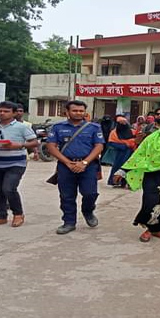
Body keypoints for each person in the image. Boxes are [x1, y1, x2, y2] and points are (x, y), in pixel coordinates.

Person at [46, 100, 105, 235]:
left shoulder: (94, 127)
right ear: (67, 112)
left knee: (90, 193)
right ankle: (69, 222)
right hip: (65, 165)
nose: (78, 113)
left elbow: (99, 146)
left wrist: (84, 163)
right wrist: (67, 162)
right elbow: (51, 146)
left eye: (81, 111)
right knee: (67, 196)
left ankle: (88, 211)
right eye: (75, 110)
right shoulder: (58, 127)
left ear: (85, 112)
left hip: (88, 165)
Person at [0, 101, 38, 228]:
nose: (2, 113)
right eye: (0, 111)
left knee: (9, 188)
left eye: (6, 111)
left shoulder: (22, 127)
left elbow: (34, 142)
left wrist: (19, 145)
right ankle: (1, 216)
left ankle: (18, 214)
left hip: (16, 162)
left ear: (13, 113)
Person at [107, 115, 138, 187]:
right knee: (118, 167)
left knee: (130, 167)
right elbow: (111, 143)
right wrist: (124, 146)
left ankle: (128, 182)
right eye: (121, 122)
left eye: (124, 122)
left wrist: (133, 144)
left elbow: (137, 140)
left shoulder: (133, 131)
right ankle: (115, 181)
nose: (123, 124)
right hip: (121, 154)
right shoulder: (114, 133)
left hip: (131, 152)